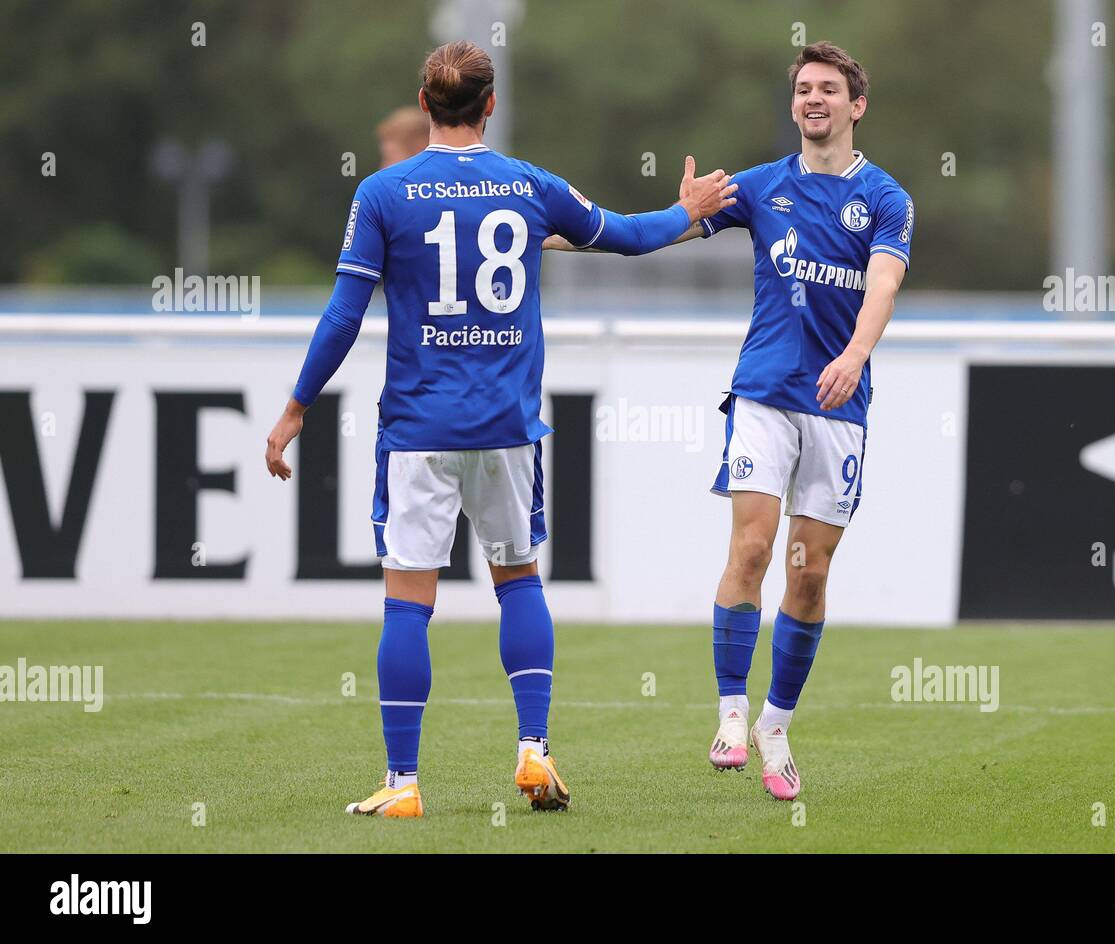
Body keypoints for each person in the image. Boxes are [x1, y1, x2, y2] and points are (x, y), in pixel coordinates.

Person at [264, 40, 736, 817]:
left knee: (407, 602)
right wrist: (688, 212)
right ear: (488, 105)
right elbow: (627, 235)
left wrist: (295, 408)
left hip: (418, 429)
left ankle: (404, 782)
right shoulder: (529, 185)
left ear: (423, 107)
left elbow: (344, 313)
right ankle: (533, 751)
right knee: (517, 581)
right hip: (507, 427)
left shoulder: (383, 193)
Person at [547, 41, 912, 801]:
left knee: (807, 577)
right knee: (751, 548)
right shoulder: (760, 187)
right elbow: (656, 230)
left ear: (856, 106)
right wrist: (550, 228)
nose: (813, 99)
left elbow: (882, 283)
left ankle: (777, 725)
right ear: (795, 105)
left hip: (841, 403)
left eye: (828, 89)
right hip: (764, 394)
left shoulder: (885, 198)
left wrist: (856, 353)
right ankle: (731, 712)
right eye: (804, 89)